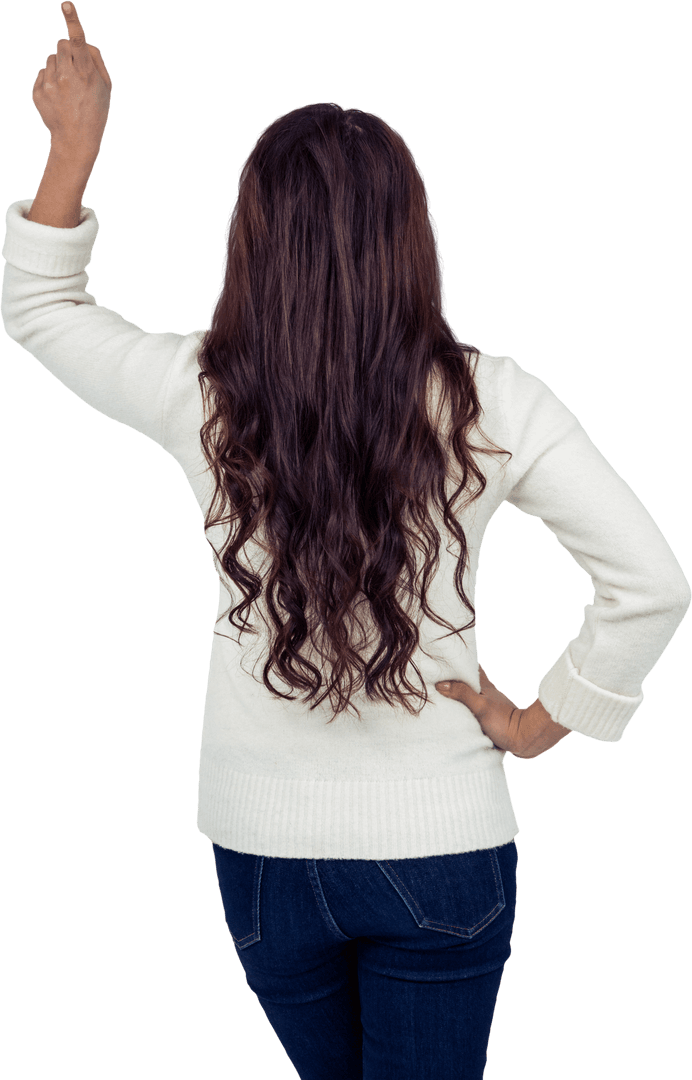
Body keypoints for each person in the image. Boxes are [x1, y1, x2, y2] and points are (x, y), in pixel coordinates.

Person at [3, 7, 690, 1078]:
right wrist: (542, 721)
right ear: (411, 236)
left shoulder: (200, 393)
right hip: (443, 852)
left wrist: (72, 149)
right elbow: (649, 584)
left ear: (250, 237)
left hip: (261, 861)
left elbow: (42, 306)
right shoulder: (490, 399)